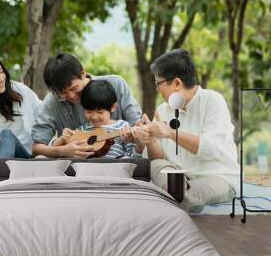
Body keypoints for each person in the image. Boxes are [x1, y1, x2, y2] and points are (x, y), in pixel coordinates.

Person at [133, 48, 239, 212]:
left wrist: (170, 133)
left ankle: (177, 198)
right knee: (156, 166)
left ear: (176, 83)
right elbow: (158, 158)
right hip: (176, 176)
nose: (157, 89)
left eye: (158, 83)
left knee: (190, 192)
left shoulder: (213, 101)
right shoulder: (163, 109)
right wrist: (150, 140)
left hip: (215, 176)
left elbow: (210, 148)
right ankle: (177, 197)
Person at [31, 53, 142, 158]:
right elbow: (36, 148)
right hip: (74, 165)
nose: (71, 96)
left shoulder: (116, 84)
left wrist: (133, 138)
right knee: (40, 159)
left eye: (74, 88)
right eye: (63, 93)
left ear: (82, 74)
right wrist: (63, 150)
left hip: (117, 160)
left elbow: (138, 126)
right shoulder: (52, 101)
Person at [52, 80, 139, 159]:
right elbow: (55, 148)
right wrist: (63, 139)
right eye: (89, 112)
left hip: (114, 169)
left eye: (100, 112)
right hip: (88, 170)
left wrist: (135, 141)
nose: (94, 117)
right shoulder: (85, 129)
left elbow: (133, 155)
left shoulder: (123, 126)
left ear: (113, 107)